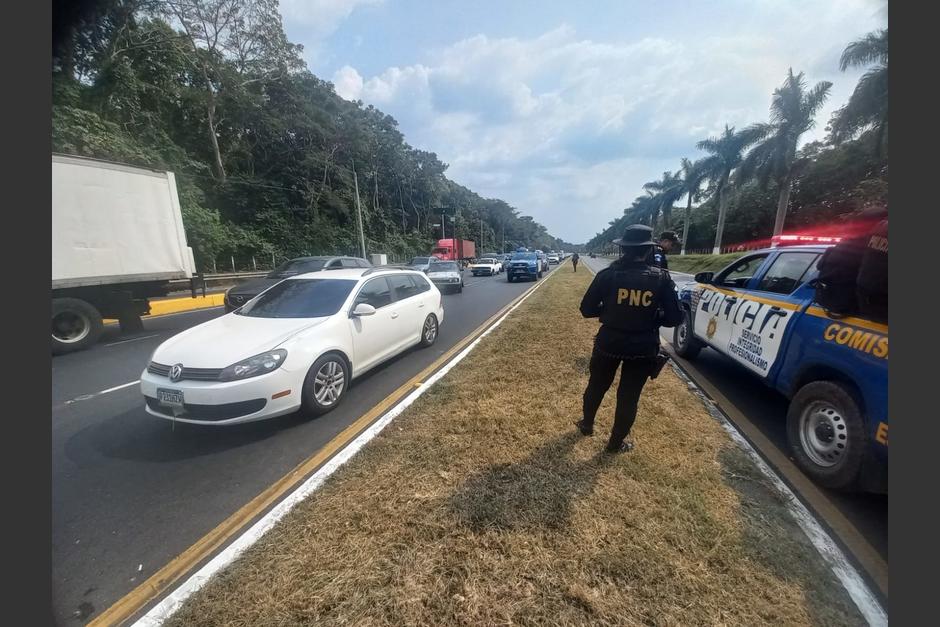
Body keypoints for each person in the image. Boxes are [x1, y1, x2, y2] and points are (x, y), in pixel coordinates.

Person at [576, 224, 682, 453]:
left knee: (596, 385)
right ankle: (615, 444)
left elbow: (586, 309)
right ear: (647, 250)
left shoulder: (607, 275)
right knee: (629, 396)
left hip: (609, 342)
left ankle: (587, 424)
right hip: (643, 347)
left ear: (624, 248)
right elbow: (674, 318)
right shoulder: (661, 278)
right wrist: (653, 316)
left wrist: (609, 311)